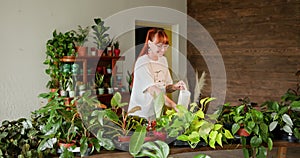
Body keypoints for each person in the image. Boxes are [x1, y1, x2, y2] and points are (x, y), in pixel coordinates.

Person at [128, 28, 186, 122]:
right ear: (150, 43)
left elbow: (165, 87)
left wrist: (175, 87)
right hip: (140, 116)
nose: (163, 50)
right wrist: (173, 105)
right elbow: (153, 90)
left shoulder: (163, 60)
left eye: (166, 46)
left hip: (156, 114)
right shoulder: (142, 62)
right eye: (159, 46)